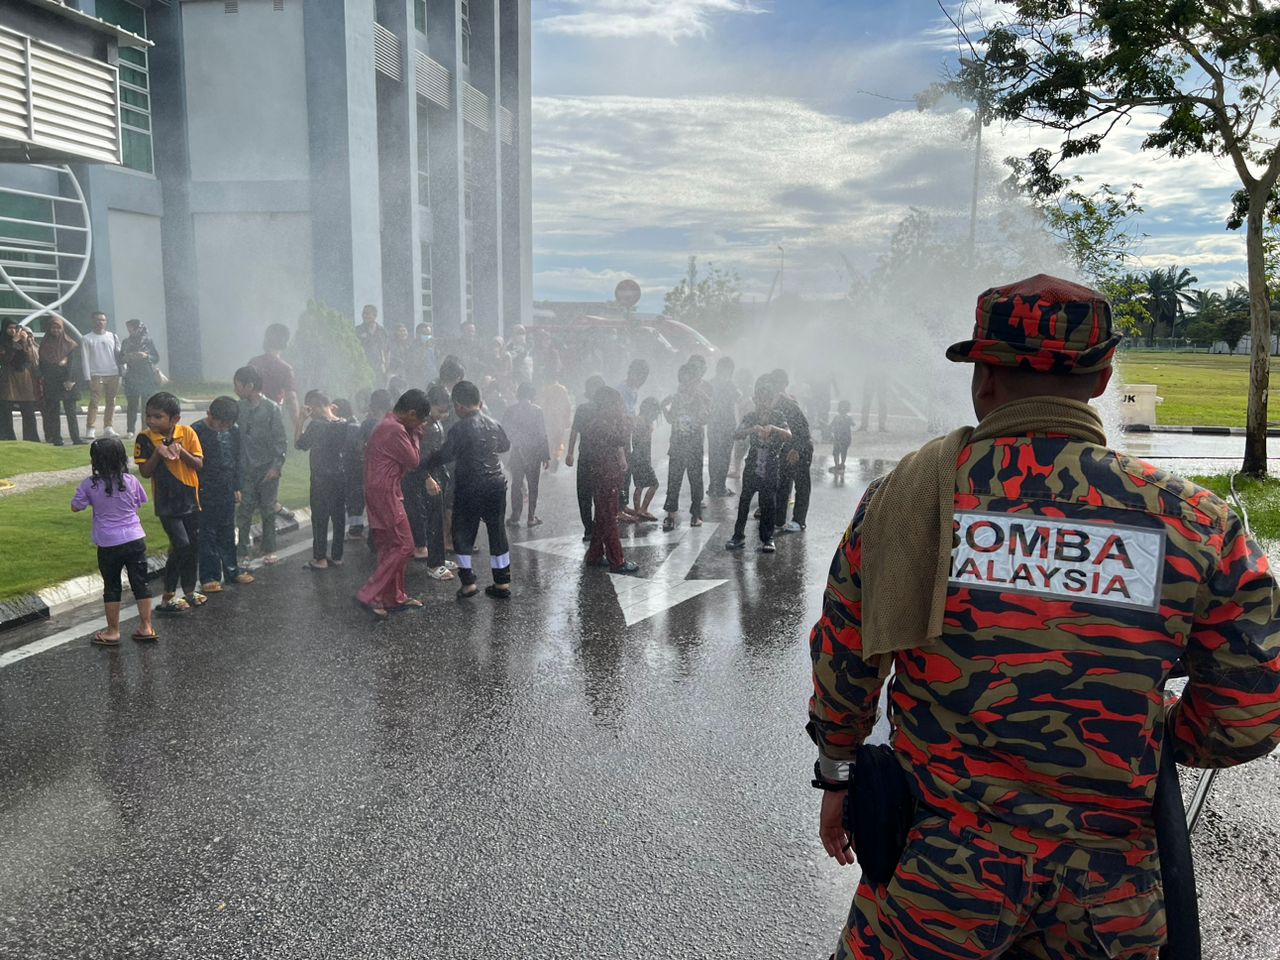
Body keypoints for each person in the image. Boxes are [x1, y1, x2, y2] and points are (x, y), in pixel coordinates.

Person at [808, 275, 1280, 960]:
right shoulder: (1197, 525)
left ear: (983, 378)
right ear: (1101, 379)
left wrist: (838, 777)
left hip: (939, 883)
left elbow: (846, 663)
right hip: (1109, 900)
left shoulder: (906, 500)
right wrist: (1159, 736)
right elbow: (1246, 718)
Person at [423, 380, 513, 600]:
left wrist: (422, 463)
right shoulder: (493, 423)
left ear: (459, 406)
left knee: (463, 532)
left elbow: (445, 455)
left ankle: (468, 583)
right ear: (479, 402)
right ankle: (502, 582)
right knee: (497, 530)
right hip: (496, 484)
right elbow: (505, 446)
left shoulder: (459, 428)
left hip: (470, 485)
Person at [71, 437, 157, 645]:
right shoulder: (131, 481)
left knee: (112, 585)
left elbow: (76, 506)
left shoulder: (90, 485)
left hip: (108, 542)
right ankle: (146, 626)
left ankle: (113, 631)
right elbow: (139, 502)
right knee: (140, 582)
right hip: (135, 538)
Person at [357, 389, 431, 619]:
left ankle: (393, 596)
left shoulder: (388, 424)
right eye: (419, 420)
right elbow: (414, 460)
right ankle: (369, 593)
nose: (420, 424)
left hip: (378, 489)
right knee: (404, 545)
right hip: (386, 491)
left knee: (389, 546)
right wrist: (417, 434)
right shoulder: (395, 428)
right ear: (410, 413)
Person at [134, 391, 205, 612]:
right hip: (166, 503)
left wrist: (180, 451)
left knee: (192, 546)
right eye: (149, 416)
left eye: (157, 417)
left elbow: (198, 464)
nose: (151, 421)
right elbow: (145, 471)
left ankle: (190, 590)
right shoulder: (144, 438)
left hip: (190, 499)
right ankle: (168, 595)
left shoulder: (188, 433)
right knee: (180, 544)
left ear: (174, 419)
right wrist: (158, 453)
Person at [192, 396, 253, 593]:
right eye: (221, 423)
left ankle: (232, 570)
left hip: (226, 487)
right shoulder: (196, 431)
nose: (223, 428)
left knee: (227, 530)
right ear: (210, 414)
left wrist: (237, 486)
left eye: (228, 424)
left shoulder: (233, 432)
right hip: (203, 489)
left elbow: (236, 460)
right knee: (207, 532)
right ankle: (209, 576)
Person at [725, 377, 791, 553]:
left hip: (771, 463)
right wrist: (752, 430)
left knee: (768, 502)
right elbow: (736, 433)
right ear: (755, 400)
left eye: (767, 400)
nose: (763, 403)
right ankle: (738, 536)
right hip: (753, 462)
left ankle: (767, 538)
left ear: (772, 401)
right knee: (745, 498)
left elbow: (788, 434)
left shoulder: (778, 417)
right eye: (760, 399)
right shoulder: (750, 417)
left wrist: (773, 428)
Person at [233, 366, 287, 567]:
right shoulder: (238, 408)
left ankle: (270, 548)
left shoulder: (271, 408)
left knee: (268, 509)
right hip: (246, 468)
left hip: (267, 468)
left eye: (238, 385)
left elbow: (280, 440)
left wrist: (276, 466)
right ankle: (243, 552)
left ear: (250, 386)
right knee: (244, 511)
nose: (235, 390)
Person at [583, 386, 640, 575]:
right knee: (609, 518)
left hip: (605, 476)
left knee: (602, 517)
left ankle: (595, 554)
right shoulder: (602, 425)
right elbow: (621, 439)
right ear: (606, 406)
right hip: (606, 477)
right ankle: (617, 561)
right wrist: (627, 424)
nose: (619, 408)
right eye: (616, 404)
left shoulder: (599, 423)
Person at [296, 390, 348, 570]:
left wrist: (301, 419)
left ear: (316, 405)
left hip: (320, 477)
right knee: (339, 515)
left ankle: (320, 558)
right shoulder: (343, 423)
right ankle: (338, 555)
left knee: (320, 516)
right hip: (340, 475)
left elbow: (300, 444)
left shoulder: (317, 425)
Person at [406, 384, 453, 581]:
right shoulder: (422, 427)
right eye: (439, 410)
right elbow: (418, 458)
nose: (443, 414)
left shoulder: (436, 424)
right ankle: (434, 565)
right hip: (424, 480)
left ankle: (439, 558)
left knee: (438, 518)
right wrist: (428, 478)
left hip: (436, 476)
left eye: (445, 411)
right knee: (431, 521)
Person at [660, 363, 710, 531]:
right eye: (684, 381)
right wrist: (663, 408)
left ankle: (696, 513)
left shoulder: (701, 398)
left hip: (694, 445)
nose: (686, 384)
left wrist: (703, 410)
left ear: (696, 381)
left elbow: (706, 419)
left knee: (695, 480)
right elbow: (671, 419)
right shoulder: (676, 398)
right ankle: (671, 514)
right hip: (677, 445)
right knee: (674, 480)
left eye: (691, 380)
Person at [769, 369, 812, 533]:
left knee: (801, 485)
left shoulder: (788, 403)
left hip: (801, 447)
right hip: (787, 447)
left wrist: (796, 449)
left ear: (784, 385)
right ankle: (779, 519)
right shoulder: (773, 403)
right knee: (783, 483)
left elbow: (803, 430)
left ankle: (799, 521)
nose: (774, 388)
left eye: (777, 384)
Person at [504, 381, 551, 528]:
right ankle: (531, 517)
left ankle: (515, 516)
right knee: (533, 485)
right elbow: (542, 434)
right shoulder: (537, 411)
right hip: (534, 453)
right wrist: (546, 456)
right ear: (532, 394)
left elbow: (504, 430)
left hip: (517, 452)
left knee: (516, 484)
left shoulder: (511, 410)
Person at [565, 375, 605, 542]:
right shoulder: (583, 409)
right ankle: (590, 528)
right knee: (585, 494)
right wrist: (570, 453)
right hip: (587, 457)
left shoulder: (606, 409)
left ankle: (595, 527)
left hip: (601, 458)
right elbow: (575, 431)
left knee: (597, 493)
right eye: (592, 387)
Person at [38, 315, 86, 446]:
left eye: (58, 327)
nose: (55, 330)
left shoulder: (70, 344)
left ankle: (76, 438)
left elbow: (75, 364)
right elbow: (42, 364)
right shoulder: (44, 344)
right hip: (52, 382)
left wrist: (70, 380)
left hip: (68, 383)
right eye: (53, 327)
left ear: (62, 329)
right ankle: (57, 438)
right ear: (49, 328)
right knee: (53, 411)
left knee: (71, 411)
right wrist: (58, 364)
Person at [248, 323, 300, 434]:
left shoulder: (253, 363)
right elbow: (291, 398)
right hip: (272, 420)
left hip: (250, 416)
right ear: (285, 343)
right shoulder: (285, 369)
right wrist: (298, 426)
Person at [80, 311, 122, 440]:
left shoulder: (113, 337)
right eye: (98, 320)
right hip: (96, 374)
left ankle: (108, 427)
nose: (100, 322)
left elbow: (119, 355)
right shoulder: (87, 338)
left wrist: (122, 371)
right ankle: (90, 428)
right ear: (93, 321)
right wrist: (87, 376)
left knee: (111, 401)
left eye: (103, 320)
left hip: (113, 373)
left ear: (106, 321)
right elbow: (84, 358)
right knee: (94, 401)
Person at [1, 320, 41, 442]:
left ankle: (31, 439)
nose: (13, 331)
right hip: (8, 377)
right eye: (9, 328)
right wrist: (13, 343)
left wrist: (24, 342)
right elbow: (5, 359)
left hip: (24, 377)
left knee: (28, 409)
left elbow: (30, 359)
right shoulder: (2, 341)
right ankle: (7, 437)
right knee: (5, 410)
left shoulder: (23, 341)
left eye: (15, 328)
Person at [707, 356, 741, 498]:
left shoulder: (710, 383)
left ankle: (713, 485)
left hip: (713, 424)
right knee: (724, 456)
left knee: (714, 455)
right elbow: (738, 397)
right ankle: (720, 487)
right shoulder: (730, 385)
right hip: (726, 424)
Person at [120, 319, 160, 435]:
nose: (130, 331)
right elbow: (120, 358)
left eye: (132, 328)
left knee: (147, 405)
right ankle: (130, 430)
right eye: (128, 329)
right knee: (132, 404)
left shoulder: (148, 341)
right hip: (132, 376)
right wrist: (128, 357)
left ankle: (146, 429)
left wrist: (145, 356)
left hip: (147, 376)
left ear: (139, 328)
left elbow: (156, 358)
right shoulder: (126, 342)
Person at [629, 397, 661, 522]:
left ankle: (638, 512)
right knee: (654, 484)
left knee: (639, 485)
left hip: (636, 457)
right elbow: (640, 439)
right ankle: (643, 509)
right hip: (641, 457)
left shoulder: (639, 419)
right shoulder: (643, 421)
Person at [540, 372, 573, 472]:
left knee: (549, 441)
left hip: (548, 420)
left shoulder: (545, 390)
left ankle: (548, 461)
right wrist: (567, 419)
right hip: (559, 420)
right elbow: (568, 406)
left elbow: (542, 406)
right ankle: (556, 459)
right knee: (558, 441)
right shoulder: (562, 389)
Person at [357, 304, 390, 387]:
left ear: (374, 316)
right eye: (363, 313)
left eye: (368, 314)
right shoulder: (358, 330)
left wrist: (386, 368)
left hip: (379, 368)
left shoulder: (382, 332)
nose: (365, 316)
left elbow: (387, 351)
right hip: (363, 368)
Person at [828, 399, 853, 475]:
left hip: (838, 438)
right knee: (843, 452)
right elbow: (853, 424)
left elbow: (830, 426)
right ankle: (842, 464)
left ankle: (837, 465)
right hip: (845, 438)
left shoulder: (837, 417)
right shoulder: (848, 418)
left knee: (836, 452)